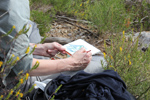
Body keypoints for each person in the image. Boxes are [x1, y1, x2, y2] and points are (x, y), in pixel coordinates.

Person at [0, 0, 106, 94]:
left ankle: (45, 63)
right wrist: (71, 63)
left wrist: (35, 48)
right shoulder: (12, 6)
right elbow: (22, 66)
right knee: (100, 62)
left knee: (31, 26)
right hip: (11, 84)